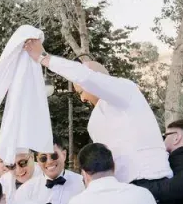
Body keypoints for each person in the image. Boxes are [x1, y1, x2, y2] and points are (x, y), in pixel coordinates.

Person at [24, 41, 172, 186]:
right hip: (121, 189)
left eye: (81, 92)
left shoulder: (126, 91)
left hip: (152, 180)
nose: (82, 99)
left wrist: (44, 57)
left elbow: (85, 77)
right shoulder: (94, 121)